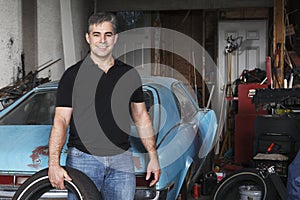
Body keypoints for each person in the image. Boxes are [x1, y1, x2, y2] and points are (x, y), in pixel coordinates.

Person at [48, 12, 160, 200]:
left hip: (121, 161)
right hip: (83, 160)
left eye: (108, 34)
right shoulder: (72, 76)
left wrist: (153, 157)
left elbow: (141, 117)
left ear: (115, 38)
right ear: (88, 38)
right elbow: (61, 120)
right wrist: (54, 164)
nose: (102, 40)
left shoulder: (129, 74)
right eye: (96, 34)